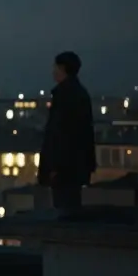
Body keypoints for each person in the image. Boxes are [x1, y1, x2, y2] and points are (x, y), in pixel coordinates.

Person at [38, 51, 96, 210]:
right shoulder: (79, 94)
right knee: (71, 207)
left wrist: (54, 167)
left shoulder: (65, 96)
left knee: (63, 209)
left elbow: (60, 134)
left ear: (62, 68)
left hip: (64, 169)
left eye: (55, 67)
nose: (53, 71)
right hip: (74, 167)